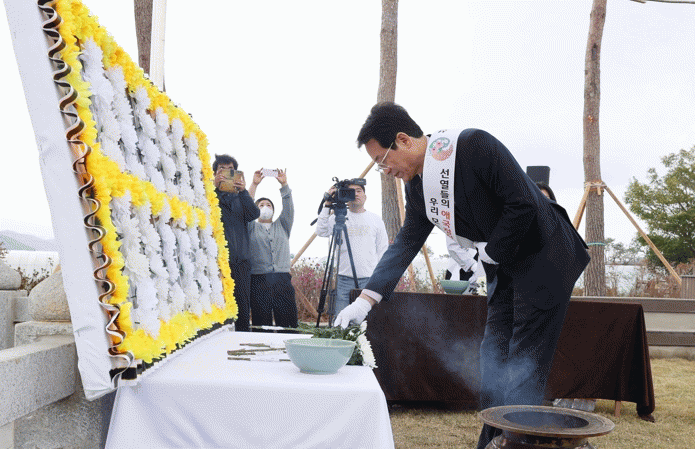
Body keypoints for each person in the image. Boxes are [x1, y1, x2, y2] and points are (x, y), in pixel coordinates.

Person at [334, 102, 590, 449]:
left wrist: (490, 252)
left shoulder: (473, 147)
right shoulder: (417, 187)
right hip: (503, 266)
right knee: (493, 358)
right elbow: (407, 241)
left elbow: (523, 204)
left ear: (403, 140)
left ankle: (516, 443)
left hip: (545, 258)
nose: (385, 170)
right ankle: (493, 442)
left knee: (524, 362)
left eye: (383, 160)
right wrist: (366, 301)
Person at [315, 182, 388, 317]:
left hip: (369, 279)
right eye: (351, 191)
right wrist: (327, 203)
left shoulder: (376, 220)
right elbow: (321, 231)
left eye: (359, 191)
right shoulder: (338, 218)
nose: (355, 194)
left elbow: (383, 249)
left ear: (365, 196)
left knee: (367, 321)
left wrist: (379, 277)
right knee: (340, 318)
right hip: (343, 278)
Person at [213, 154, 260, 332]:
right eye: (221, 170)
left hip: (241, 262)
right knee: (219, 306)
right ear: (215, 174)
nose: (226, 174)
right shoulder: (209, 197)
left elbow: (254, 214)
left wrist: (244, 191)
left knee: (242, 306)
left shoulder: (241, 198)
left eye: (231, 171)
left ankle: (242, 338)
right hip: (218, 264)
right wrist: (214, 188)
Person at [247, 169, 298, 328]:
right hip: (259, 281)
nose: (265, 207)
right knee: (261, 324)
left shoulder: (282, 225)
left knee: (288, 323)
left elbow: (289, 207)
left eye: (268, 205)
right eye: (261, 205)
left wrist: (284, 185)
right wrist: (254, 184)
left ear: (273, 210)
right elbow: (247, 206)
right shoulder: (251, 227)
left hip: (282, 280)